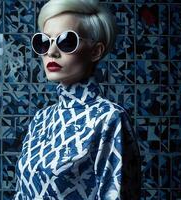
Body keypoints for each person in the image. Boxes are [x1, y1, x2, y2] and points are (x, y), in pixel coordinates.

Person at [14, 0, 141, 199]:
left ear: (95, 51)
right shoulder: (41, 119)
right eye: (44, 41)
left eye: (66, 41)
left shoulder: (109, 118)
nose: (51, 52)